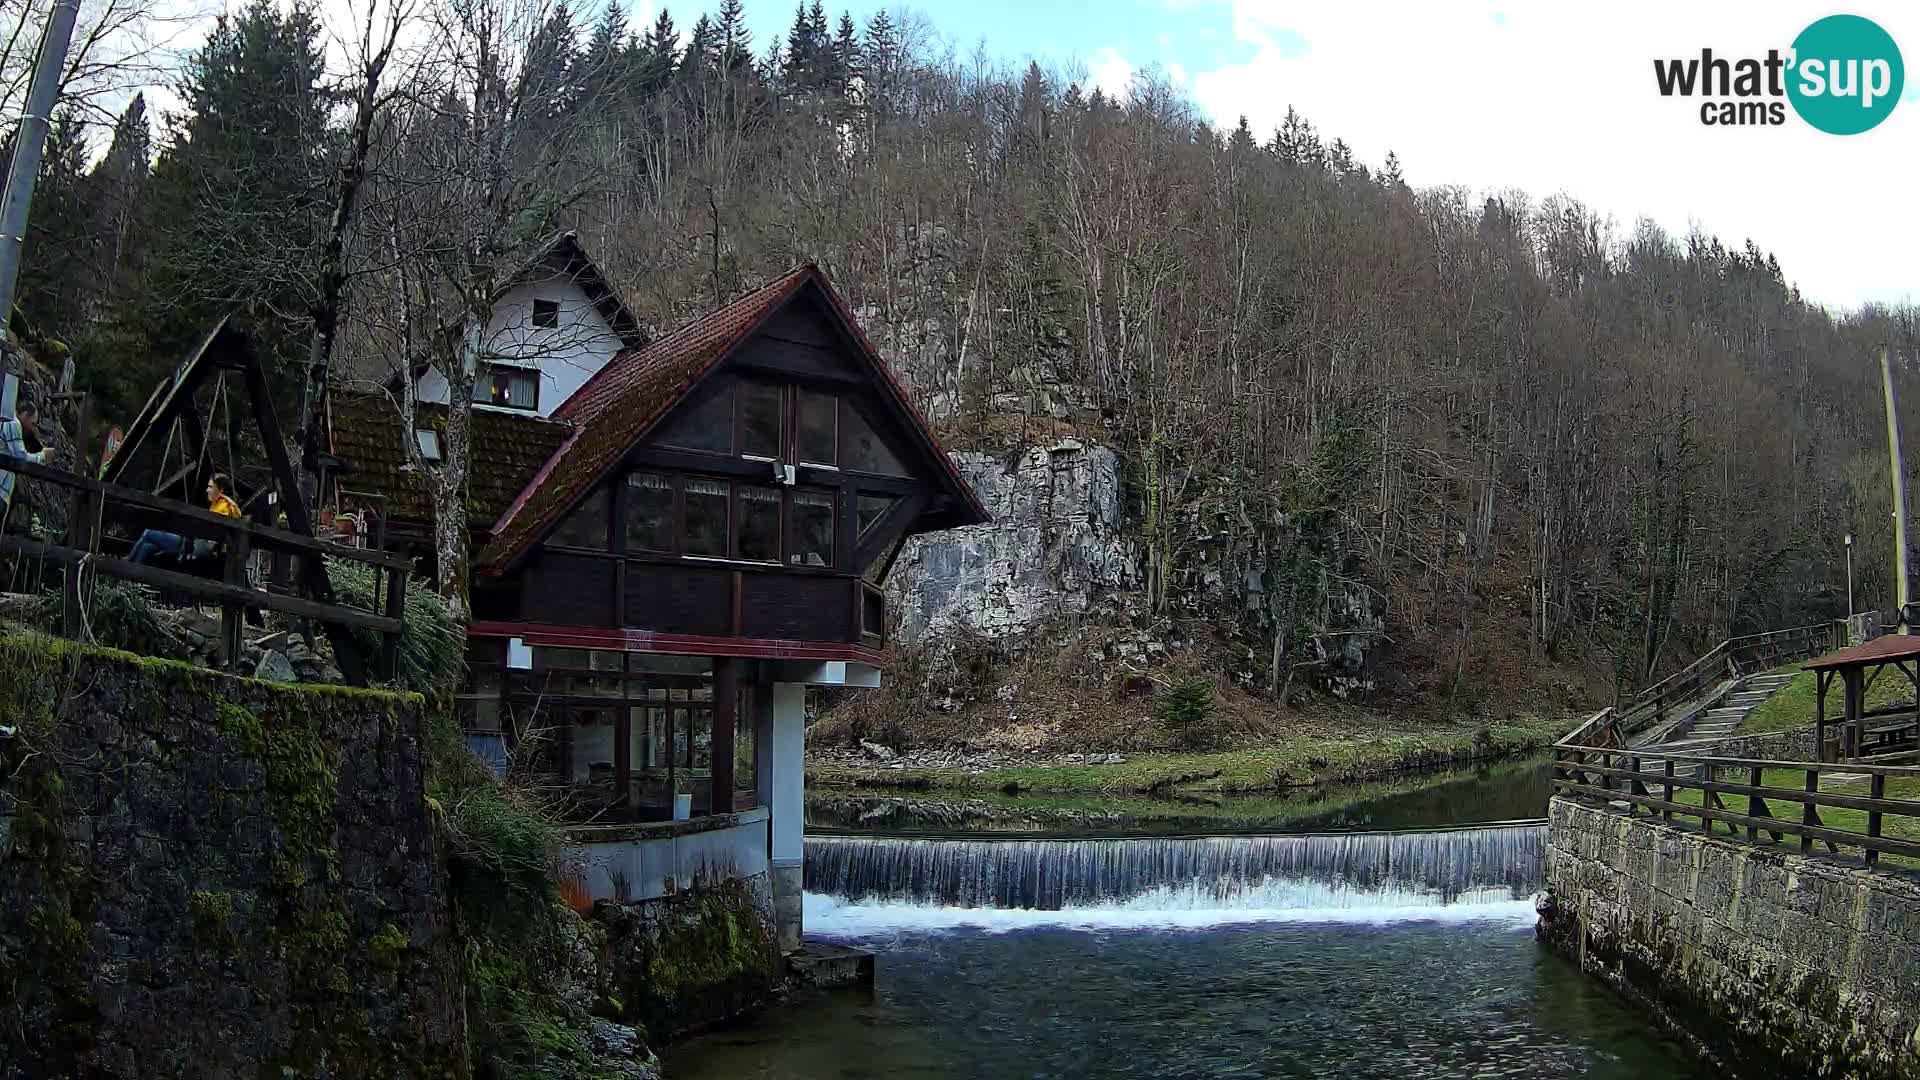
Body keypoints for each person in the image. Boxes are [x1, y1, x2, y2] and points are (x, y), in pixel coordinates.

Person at [129, 472, 242, 564]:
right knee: (146, 547)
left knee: (149, 532)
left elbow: (213, 537)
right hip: (189, 543)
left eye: (210, 487)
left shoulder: (224, 506)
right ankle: (132, 580)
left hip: (190, 547)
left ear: (221, 490)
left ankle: (128, 560)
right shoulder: (218, 504)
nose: (207, 490)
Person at [0, 400, 51, 532]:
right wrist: (42, 456)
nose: (32, 427)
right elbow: (20, 457)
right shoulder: (13, 423)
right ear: (25, 415)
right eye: (32, 423)